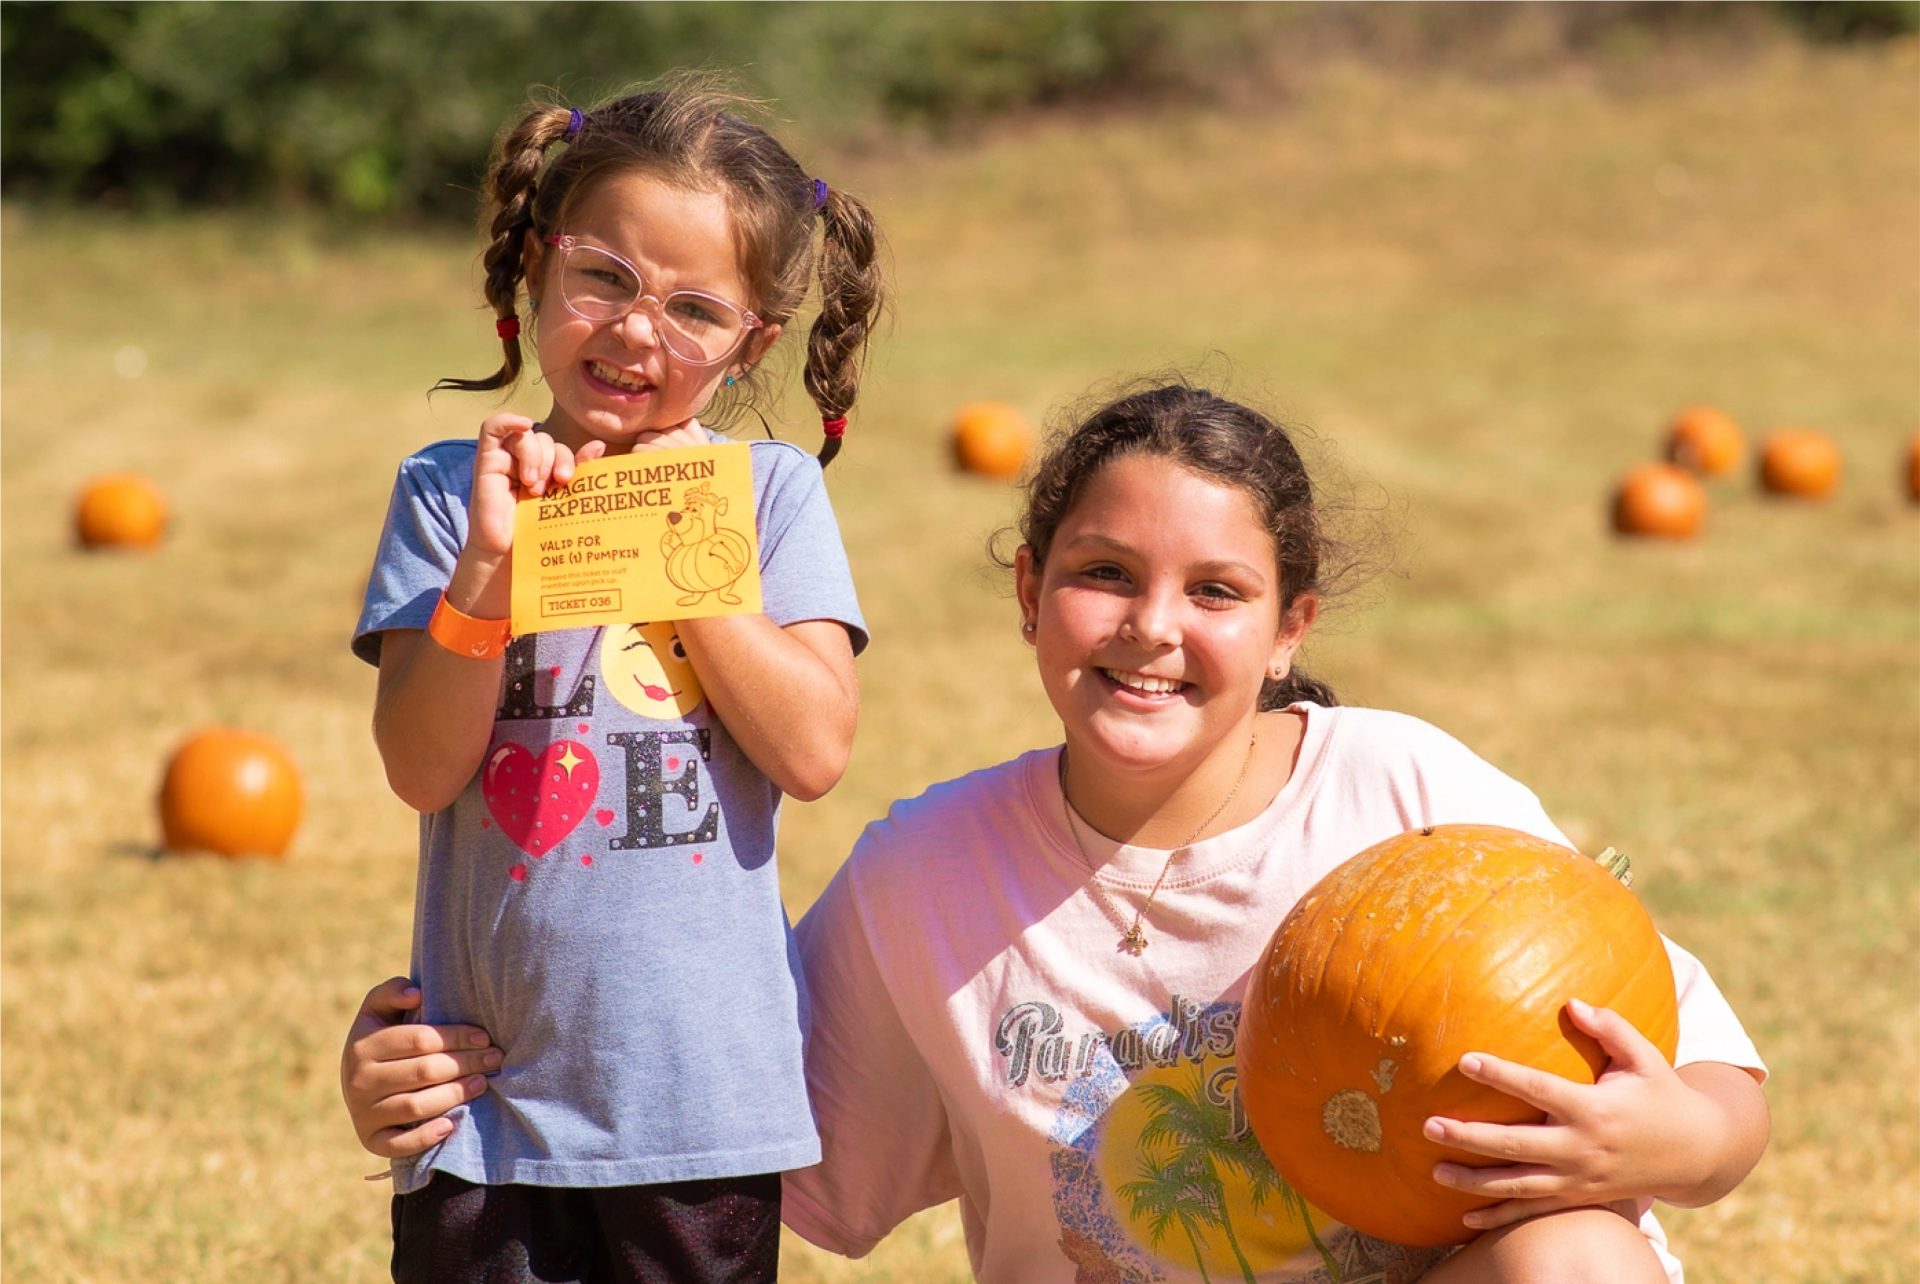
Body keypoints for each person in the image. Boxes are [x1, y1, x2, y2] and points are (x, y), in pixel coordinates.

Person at [345, 383, 1768, 1283]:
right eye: (1102, 575)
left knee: (1576, 1265)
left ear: (1290, 634)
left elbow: (1721, 1099)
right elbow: (719, 1145)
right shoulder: (928, 877)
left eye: (1217, 593)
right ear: (1029, 593)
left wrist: (1669, 1141)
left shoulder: (1409, 799)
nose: (1153, 629)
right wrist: (446, 1072)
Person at [349, 71, 883, 1284]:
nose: (639, 331)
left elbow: (812, 751)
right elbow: (421, 765)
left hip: (698, 1111)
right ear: (539, 270)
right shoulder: (450, 492)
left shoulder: (772, 496)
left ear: (753, 342)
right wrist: (490, 567)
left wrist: (679, 549)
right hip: (484, 1107)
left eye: (695, 308)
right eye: (605, 277)